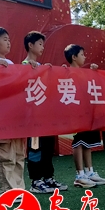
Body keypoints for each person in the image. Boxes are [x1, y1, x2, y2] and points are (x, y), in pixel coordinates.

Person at [22, 31, 68, 194]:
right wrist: (30, 69)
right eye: (40, 44)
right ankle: (36, 181)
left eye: (43, 44)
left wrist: (59, 72)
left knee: (48, 147)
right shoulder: (24, 65)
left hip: (46, 117)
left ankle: (48, 177)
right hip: (34, 119)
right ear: (30, 45)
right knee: (35, 148)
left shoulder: (42, 66)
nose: (43, 47)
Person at [0, 27, 26, 194]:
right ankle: (8, 191)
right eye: (5, 39)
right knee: (5, 155)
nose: (9, 43)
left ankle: (19, 188)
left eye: (9, 39)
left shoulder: (10, 63)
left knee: (18, 154)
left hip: (14, 115)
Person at [64, 44, 105, 188]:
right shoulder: (67, 73)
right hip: (75, 113)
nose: (85, 57)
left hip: (87, 112)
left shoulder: (85, 73)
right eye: (82, 54)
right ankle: (79, 175)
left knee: (87, 142)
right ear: (74, 57)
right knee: (78, 142)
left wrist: (93, 72)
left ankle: (89, 172)